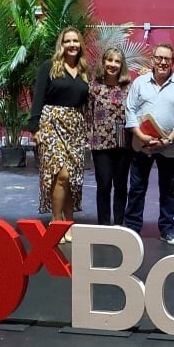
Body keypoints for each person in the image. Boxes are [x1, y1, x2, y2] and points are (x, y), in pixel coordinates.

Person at [123, 43, 174, 245]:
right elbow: (131, 111)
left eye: (167, 59)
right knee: (136, 188)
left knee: (168, 190)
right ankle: (133, 228)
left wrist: (169, 139)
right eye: (159, 58)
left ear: (173, 61)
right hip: (141, 144)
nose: (163, 62)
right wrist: (141, 135)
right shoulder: (139, 83)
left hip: (169, 147)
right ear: (152, 59)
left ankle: (167, 229)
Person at [28, 26, 90, 243]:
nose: (72, 45)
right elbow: (38, 97)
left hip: (75, 127)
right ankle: (57, 222)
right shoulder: (50, 67)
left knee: (72, 178)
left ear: (80, 44)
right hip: (51, 123)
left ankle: (69, 222)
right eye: (67, 41)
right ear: (61, 45)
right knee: (60, 174)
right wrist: (35, 128)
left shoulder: (84, 70)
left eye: (75, 41)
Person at [87, 46, 133, 226]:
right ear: (103, 62)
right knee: (104, 185)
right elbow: (88, 114)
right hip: (100, 144)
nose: (113, 65)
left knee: (121, 186)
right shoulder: (93, 87)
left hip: (123, 143)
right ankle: (104, 225)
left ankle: (119, 225)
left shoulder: (129, 87)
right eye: (110, 60)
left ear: (122, 65)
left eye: (117, 61)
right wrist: (88, 139)